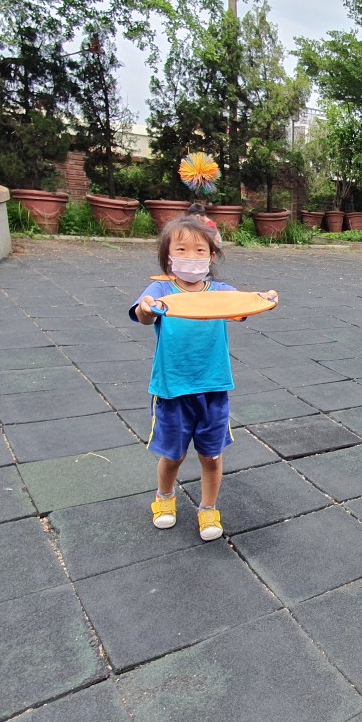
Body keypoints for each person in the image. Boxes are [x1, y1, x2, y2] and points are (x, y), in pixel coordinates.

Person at [131, 217, 278, 540]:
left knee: (211, 455)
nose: (191, 256)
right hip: (172, 389)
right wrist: (147, 308)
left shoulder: (219, 292)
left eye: (199, 250)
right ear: (168, 255)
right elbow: (143, 314)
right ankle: (165, 497)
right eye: (182, 249)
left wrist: (264, 298)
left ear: (211, 256)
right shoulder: (161, 290)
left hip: (213, 387)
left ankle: (208, 507)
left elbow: (243, 304)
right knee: (173, 454)